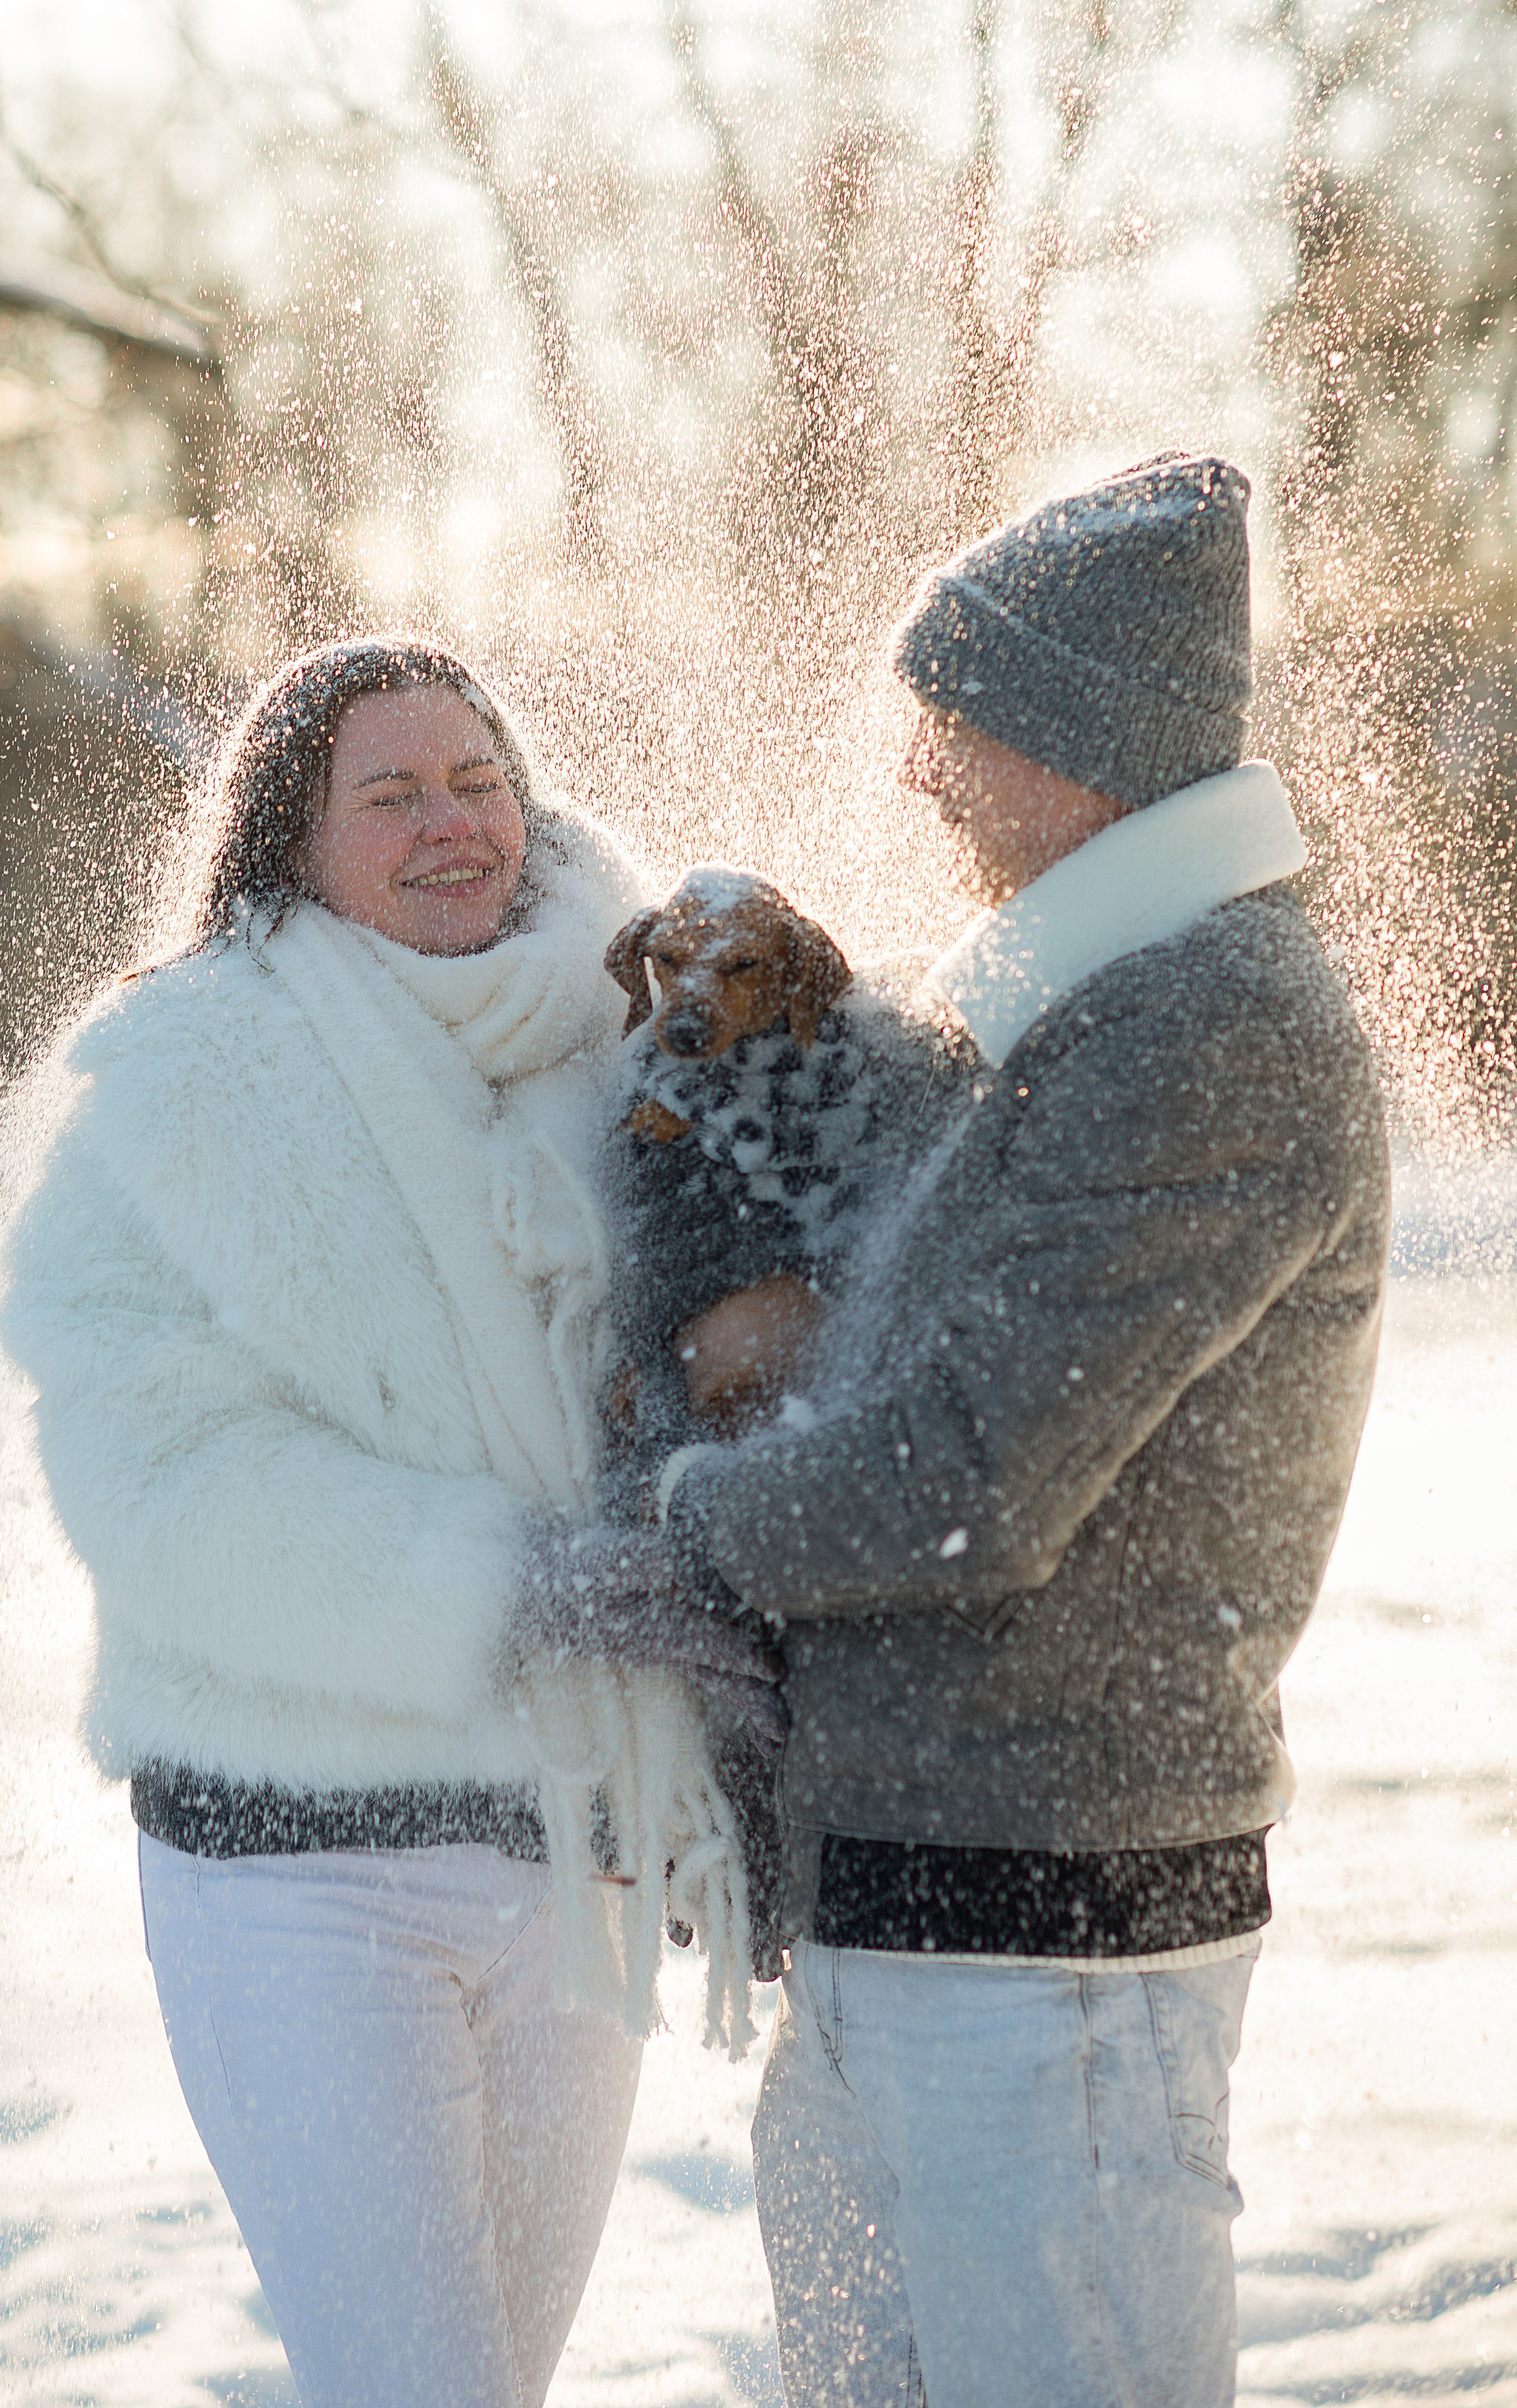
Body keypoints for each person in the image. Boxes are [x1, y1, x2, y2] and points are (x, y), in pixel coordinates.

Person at [656, 456, 1393, 2408]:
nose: (915, 767)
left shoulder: (1208, 1019)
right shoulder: (1073, 1010)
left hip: (1052, 1938)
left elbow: (969, 1481)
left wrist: (669, 1532)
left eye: (955, 719)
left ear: (1083, 747)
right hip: (912, 1896)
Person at [0, 639, 774, 2408]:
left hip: (571, 1853)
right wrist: (510, 1582)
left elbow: (720, 1344)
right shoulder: (181, 1085)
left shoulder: (638, 1043)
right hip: (297, 1866)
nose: (452, 825)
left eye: (479, 781)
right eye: (392, 793)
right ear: (289, 836)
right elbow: (153, 1474)